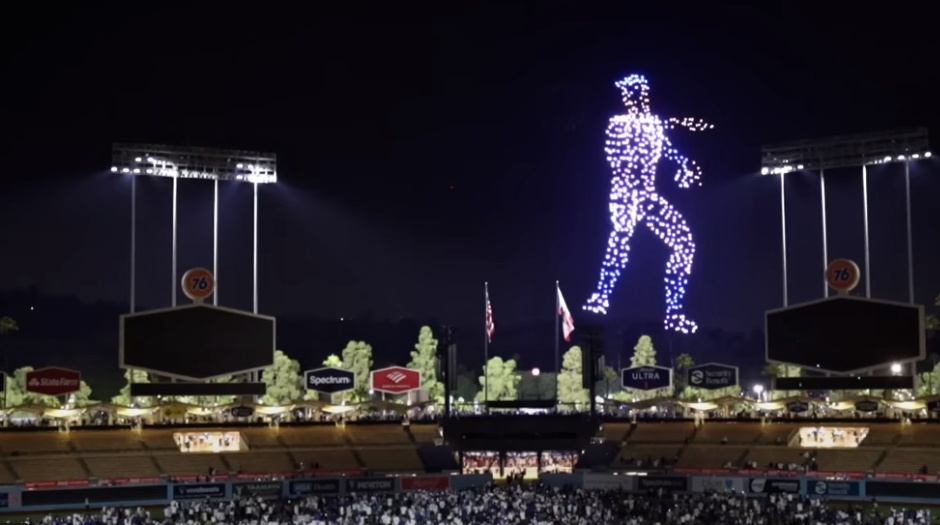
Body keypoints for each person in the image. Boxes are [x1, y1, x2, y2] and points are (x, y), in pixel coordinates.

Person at [583, 74, 711, 334]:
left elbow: (671, 151)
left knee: (685, 244)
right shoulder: (617, 125)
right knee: (620, 242)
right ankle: (601, 296)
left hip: (649, 197)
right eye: (629, 95)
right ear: (625, 99)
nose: (635, 100)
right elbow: (622, 158)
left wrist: (685, 167)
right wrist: (654, 128)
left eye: (639, 94)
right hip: (625, 195)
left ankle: (673, 312)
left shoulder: (654, 126)